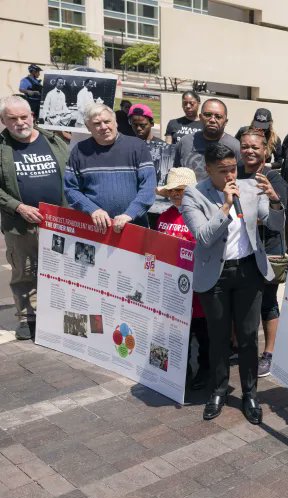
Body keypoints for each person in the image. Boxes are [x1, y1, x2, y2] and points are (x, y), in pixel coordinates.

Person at [180, 143, 284, 423]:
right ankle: (218, 390)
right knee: (219, 337)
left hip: (248, 270)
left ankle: (250, 393)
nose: (230, 176)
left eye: (233, 169)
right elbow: (204, 236)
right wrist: (225, 205)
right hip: (215, 274)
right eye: (223, 171)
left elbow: (272, 222)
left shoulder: (249, 187)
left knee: (249, 337)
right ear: (209, 169)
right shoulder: (193, 194)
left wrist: (274, 201)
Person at [0, 96, 69, 340]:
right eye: (12, 118)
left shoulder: (54, 140)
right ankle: (28, 318)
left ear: (32, 116)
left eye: (23, 116)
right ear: (3, 120)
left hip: (60, 221)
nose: (19, 122)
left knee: (62, 269)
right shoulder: (1, 147)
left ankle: (59, 315)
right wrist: (18, 207)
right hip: (21, 223)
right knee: (24, 270)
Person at [238, 129, 288, 378]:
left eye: (255, 147)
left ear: (265, 151)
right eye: (245, 146)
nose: (249, 151)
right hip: (240, 248)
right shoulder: (234, 173)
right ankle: (239, 347)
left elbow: (277, 215)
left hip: (267, 249)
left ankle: (268, 353)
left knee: (267, 302)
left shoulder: (274, 179)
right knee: (243, 302)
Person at [154, 167, 209, 390]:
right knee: (177, 335)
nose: (177, 194)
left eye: (182, 189)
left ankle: (205, 373)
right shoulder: (163, 217)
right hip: (172, 290)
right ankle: (180, 373)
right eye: (173, 190)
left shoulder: (200, 215)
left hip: (197, 288)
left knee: (202, 334)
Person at [64, 104, 157, 232]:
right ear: (88, 127)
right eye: (97, 124)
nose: (103, 127)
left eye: (107, 121)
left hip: (134, 226)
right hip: (94, 228)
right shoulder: (79, 151)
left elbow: (149, 186)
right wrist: (92, 209)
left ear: (116, 122)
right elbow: (70, 189)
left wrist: (130, 214)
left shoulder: (137, 146)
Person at [128, 103, 176, 228]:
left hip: (157, 206)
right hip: (133, 204)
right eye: (134, 124)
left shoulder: (164, 148)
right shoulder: (128, 145)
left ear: (152, 123)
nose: (138, 128)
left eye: (142, 125)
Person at [174, 98, 240, 182]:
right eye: (208, 115)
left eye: (218, 116)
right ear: (200, 117)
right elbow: (175, 174)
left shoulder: (235, 147)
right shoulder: (185, 142)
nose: (212, 120)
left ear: (225, 121)